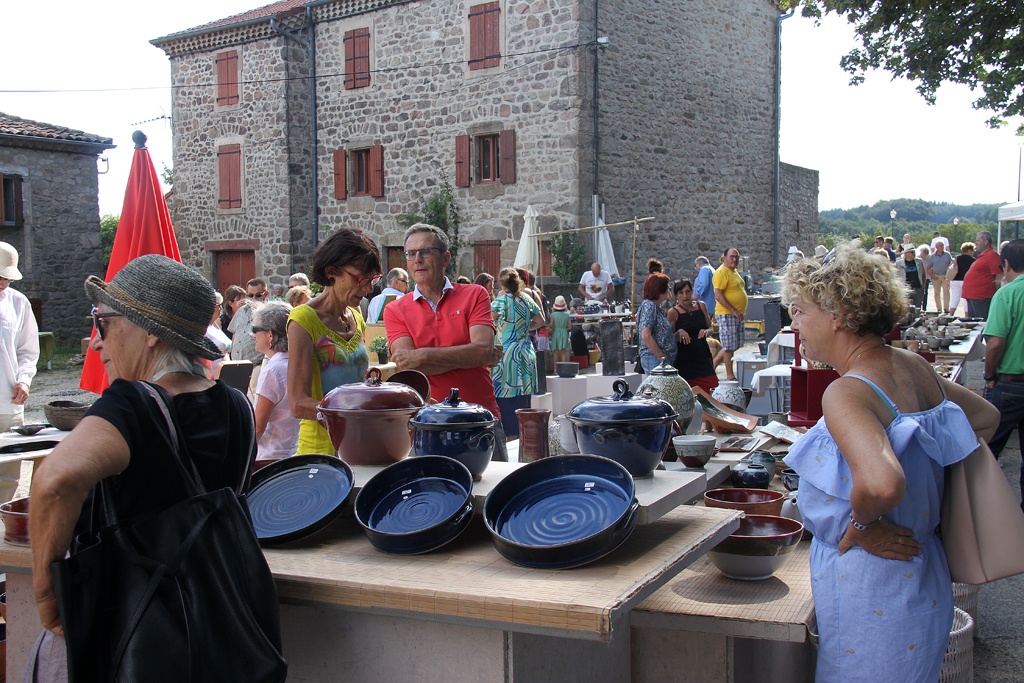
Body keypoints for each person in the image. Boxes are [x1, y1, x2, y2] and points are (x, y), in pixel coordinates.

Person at [27, 254, 260, 675]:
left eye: (104, 323)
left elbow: (53, 483)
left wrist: (46, 595)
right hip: (219, 627)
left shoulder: (133, 403)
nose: (95, 341)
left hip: (129, 634)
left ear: (152, 333)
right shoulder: (236, 404)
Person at [781, 243, 999, 683]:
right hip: (923, 573)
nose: (794, 322)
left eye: (800, 310)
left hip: (874, 589)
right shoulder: (912, 365)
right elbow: (985, 418)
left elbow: (882, 484)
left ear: (837, 314)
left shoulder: (847, 391)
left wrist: (862, 528)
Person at [384, 223, 507, 458]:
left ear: (446, 258)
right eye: (411, 253)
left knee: (495, 493)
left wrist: (422, 355)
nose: (417, 259)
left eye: (426, 251)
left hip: (481, 420)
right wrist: (470, 355)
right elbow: (408, 367)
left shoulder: (475, 294)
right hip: (429, 425)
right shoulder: (395, 309)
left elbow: (481, 351)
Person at [288, 229, 379, 455]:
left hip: (360, 447)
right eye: (361, 279)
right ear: (331, 272)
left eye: (373, 280)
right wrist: (359, 411)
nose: (368, 289)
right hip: (321, 453)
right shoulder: (304, 320)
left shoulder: (356, 318)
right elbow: (298, 403)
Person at [982, 239, 1024, 508]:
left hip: (1009, 383)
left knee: (983, 454)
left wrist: (989, 376)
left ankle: (980, 515)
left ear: (1006, 264)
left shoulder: (1007, 294)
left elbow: (995, 343)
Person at [0, 241, 39, 504]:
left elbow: (28, 350)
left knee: (8, 474)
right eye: (1, 277)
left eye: (7, 278)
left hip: (7, 402)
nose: (4, 283)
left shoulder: (18, 302)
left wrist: (24, 380)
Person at [489, 268, 544, 438]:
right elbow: (541, 320)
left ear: (501, 283)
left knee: (505, 399)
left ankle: (509, 438)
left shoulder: (501, 301)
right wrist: (523, 328)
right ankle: (524, 439)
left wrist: (504, 330)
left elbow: (486, 322)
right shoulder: (526, 299)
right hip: (526, 352)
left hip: (506, 354)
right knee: (523, 401)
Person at [253, 301, 299, 464]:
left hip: (269, 457)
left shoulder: (273, 370)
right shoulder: (298, 363)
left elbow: (258, 428)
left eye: (255, 329)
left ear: (270, 335)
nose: (253, 335)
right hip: (293, 452)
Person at [667, 279, 717, 393]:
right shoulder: (673, 312)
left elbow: (711, 328)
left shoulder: (701, 306)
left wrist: (707, 331)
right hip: (685, 360)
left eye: (688, 291)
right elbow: (669, 340)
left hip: (703, 357)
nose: (685, 296)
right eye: (681, 293)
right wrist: (679, 332)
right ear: (676, 296)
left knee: (712, 389)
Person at [229, 277, 271, 395]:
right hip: (237, 365)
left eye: (258, 295)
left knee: (254, 398)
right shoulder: (241, 311)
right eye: (250, 295)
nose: (253, 299)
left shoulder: (269, 312)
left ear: (266, 294)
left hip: (257, 364)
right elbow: (235, 333)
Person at [712, 247, 747, 381]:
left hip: (736, 314)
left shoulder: (734, 271)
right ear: (724, 257)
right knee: (728, 346)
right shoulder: (721, 272)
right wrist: (734, 310)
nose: (734, 259)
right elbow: (718, 295)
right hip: (727, 313)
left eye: (736, 257)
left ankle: (713, 365)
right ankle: (729, 375)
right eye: (732, 257)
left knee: (733, 344)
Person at [637, 272, 676, 374]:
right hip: (654, 359)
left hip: (658, 359)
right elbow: (646, 335)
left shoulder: (655, 307)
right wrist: (661, 357)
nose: (669, 290)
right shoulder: (649, 306)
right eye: (667, 288)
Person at [962, 230, 1002, 320]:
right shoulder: (982, 256)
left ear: (986, 241)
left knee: (981, 323)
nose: (976, 243)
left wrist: (998, 294)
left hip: (982, 297)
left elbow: (999, 276)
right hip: (973, 296)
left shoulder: (992, 255)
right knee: (973, 323)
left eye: (978, 240)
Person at [925, 240, 954, 314]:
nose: (942, 247)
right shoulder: (933, 256)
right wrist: (932, 276)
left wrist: (949, 275)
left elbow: (951, 264)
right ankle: (939, 308)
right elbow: (928, 267)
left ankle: (946, 308)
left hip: (945, 276)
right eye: (940, 245)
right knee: (937, 293)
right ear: (936, 247)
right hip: (936, 276)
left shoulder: (947, 255)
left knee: (946, 292)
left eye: (943, 245)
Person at [949, 242, 976, 316]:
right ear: (969, 250)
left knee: (955, 298)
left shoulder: (957, 258)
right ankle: (966, 316)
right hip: (966, 281)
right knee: (966, 299)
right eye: (972, 250)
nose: (973, 252)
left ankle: (951, 314)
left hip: (955, 280)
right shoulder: (973, 260)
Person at [549, 295, 571, 364]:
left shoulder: (553, 315)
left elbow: (551, 325)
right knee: (563, 352)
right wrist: (564, 328)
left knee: (555, 352)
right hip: (564, 332)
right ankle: (564, 367)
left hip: (555, 333)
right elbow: (570, 326)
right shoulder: (567, 315)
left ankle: (556, 369)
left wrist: (551, 328)